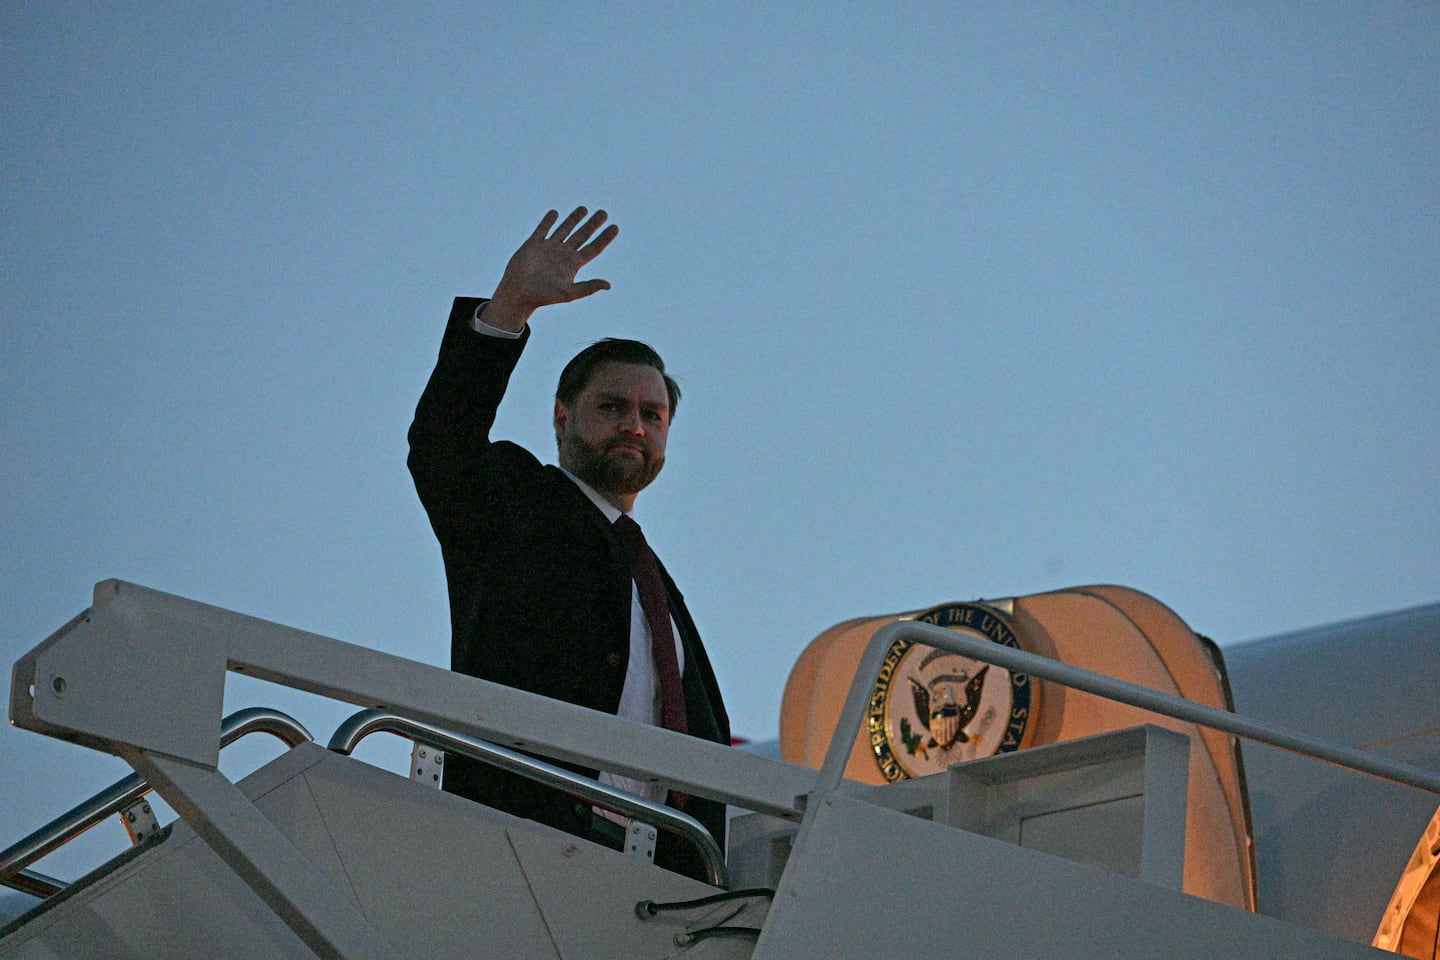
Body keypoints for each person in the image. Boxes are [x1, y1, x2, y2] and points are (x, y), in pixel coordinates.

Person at [407, 206, 730, 879]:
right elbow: (444, 446)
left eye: (653, 414)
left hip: (655, 875)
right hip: (523, 842)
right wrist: (509, 307)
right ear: (562, 418)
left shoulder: (656, 585)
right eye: (612, 408)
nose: (635, 426)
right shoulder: (516, 504)